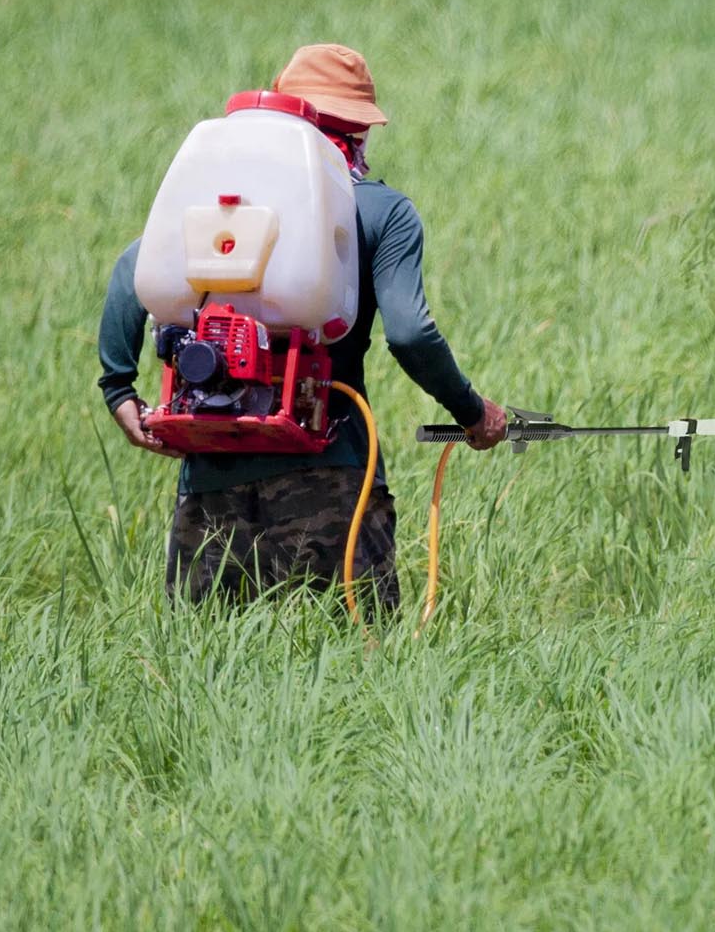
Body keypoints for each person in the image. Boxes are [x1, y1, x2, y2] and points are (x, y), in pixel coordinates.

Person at [96, 42, 509, 609]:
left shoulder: (223, 209)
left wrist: (119, 391)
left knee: (207, 659)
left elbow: (132, 270)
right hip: (331, 477)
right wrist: (471, 410)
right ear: (358, 130)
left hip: (210, 482)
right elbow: (410, 334)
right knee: (357, 657)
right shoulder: (382, 211)